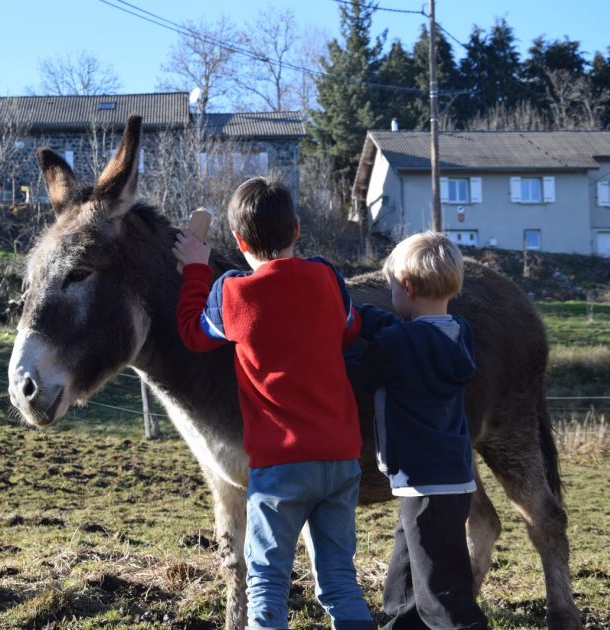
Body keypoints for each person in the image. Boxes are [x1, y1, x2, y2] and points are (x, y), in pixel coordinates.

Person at [172, 176, 376, 630]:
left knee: (267, 583)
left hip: (280, 465)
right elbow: (350, 329)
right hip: (341, 460)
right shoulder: (326, 278)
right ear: (297, 230)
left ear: (239, 240)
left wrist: (195, 268)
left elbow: (191, 331)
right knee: (340, 580)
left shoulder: (233, 294)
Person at [352, 231, 488, 629]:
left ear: (407, 287)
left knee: (441, 598)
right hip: (452, 480)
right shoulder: (459, 333)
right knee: (406, 582)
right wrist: (360, 316)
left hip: (423, 482)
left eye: (391, 286)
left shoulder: (400, 342)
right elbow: (399, 330)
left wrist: (332, 338)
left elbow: (358, 370)